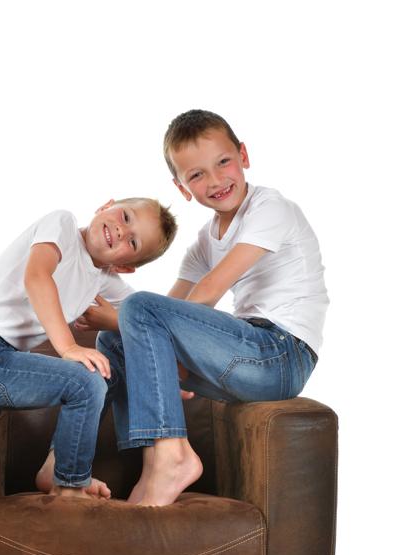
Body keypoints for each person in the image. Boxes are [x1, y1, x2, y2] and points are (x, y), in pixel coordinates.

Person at [80, 109, 329, 506]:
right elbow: (170, 309)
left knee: (137, 310)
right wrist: (147, 347)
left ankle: (171, 457)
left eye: (223, 162)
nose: (215, 181)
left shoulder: (270, 208)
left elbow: (208, 291)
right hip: (241, 357)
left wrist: (126, 322)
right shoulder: (205, 241)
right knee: (114, 341)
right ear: (182, 187)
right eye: (196, 174)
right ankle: (132, 460)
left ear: (243, 155)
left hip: (280, 355)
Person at [0, 197, 177, 500]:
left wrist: (173, 372)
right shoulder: (63, 225)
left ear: (124, 266)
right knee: (85, 381)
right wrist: (68, 347)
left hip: (5, 358)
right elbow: (37, 277)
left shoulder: (104, 281)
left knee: (105, 374)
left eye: (133, 242)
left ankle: (57, 467)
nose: (121, 231)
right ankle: (70, 485)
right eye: (126, 216)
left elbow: (147, 322)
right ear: (106, 205)